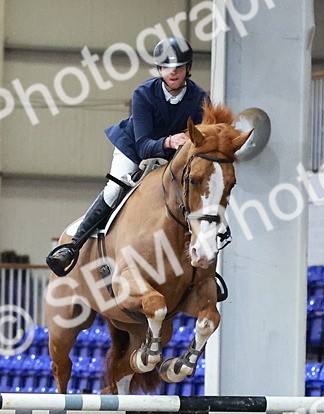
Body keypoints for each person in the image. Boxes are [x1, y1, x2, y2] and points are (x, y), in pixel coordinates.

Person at [46, 36, 208, 277]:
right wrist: (169, 141)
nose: (173, 73)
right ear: (159, 69)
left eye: (179, 68)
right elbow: (144, 146)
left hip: (175, 157)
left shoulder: (199, 98)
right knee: (114, 189)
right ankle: (72, 247)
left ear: (188, 69)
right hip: (135, 147)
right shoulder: (143, 94)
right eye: (167, 68)